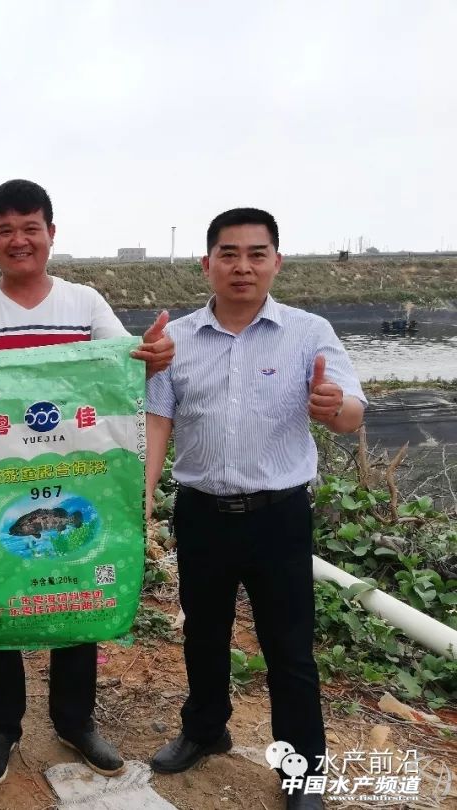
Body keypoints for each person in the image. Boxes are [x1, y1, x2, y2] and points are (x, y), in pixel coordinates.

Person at [0, 178, 175, 786]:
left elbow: (125, 369)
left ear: (51, 234)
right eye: (5, 230)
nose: (19, 240)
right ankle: (1, 724)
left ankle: (74, 719)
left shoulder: (84, 304)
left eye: (30, 227)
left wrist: (153, 356)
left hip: (73, 475)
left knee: (76, 583)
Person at [144, 208, 365, 810]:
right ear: (207, 263)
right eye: (229, 254)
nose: (242, 266)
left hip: (278, 516)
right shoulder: (176, 340)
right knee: (203, 633)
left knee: (289, 648)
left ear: (276, 261)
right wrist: (144, 494)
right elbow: (158, 419)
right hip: (201, 513)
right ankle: (205, 729)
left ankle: (304, 771)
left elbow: (351, 412)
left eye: (256, 254)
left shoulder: (309, 332)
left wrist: (333, 407)